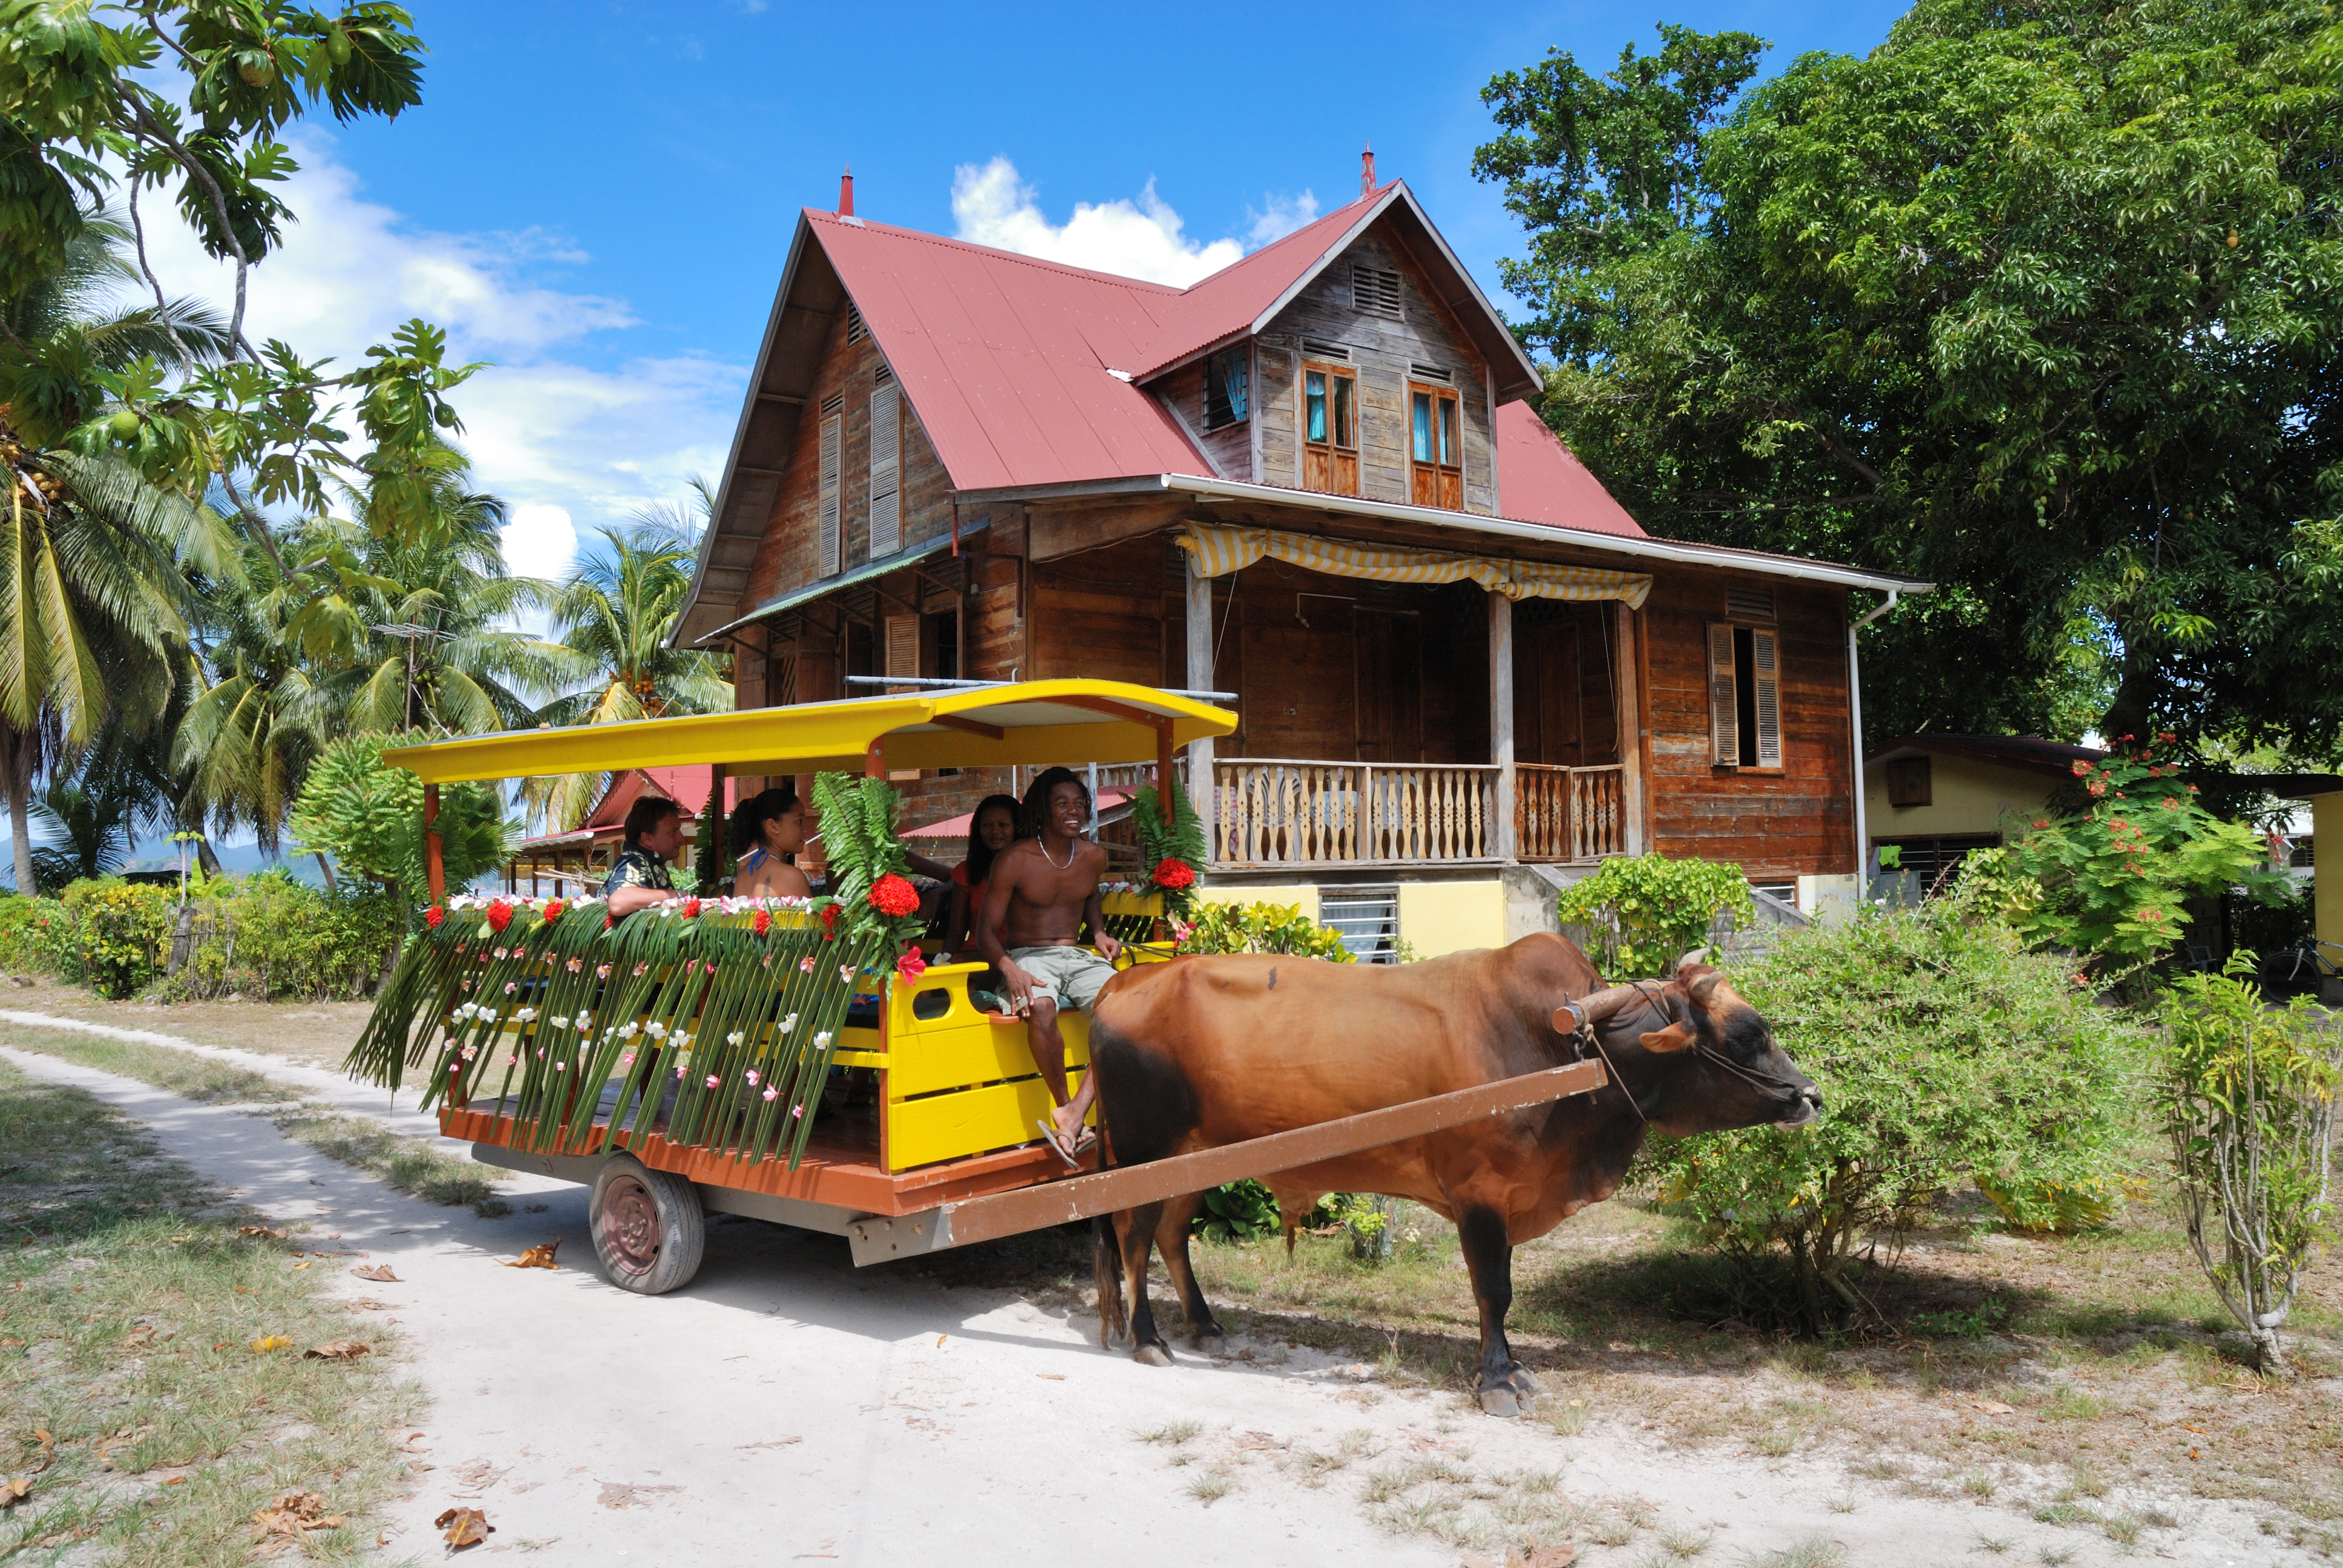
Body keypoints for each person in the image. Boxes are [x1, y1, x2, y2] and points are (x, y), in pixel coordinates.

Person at [973, 767, 1121, 1167]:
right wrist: (1008, 968)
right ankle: (1065, 1107)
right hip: (1027, 956)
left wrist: (1100, 931)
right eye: (1063, 804)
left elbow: (1089, 896)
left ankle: (1074, 1114)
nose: (1074, 811)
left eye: (1080, 804)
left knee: (1126, 1013)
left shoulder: (1094, 856)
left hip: (1076, 955)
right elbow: (984, 930)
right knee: (1041, 1007)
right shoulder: (1014, 859)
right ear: (1043, 809)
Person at [943, 794, 1021, 955]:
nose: (995, 831)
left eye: (1003, 825)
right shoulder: (966, 872)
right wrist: (944, 965)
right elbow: (955, 934)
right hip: (976, 958)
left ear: (1018, 827)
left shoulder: (1035, 869)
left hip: (1022, 957)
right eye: (987, 825)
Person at [603, 796, 686, 917]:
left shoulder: (650, 861)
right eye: (673, 831)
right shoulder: (635, 861)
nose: (681, 838)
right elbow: (618, 901)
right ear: (647, 839)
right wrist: (676, 895)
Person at [730, 785, 813, 901]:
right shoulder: (791, 877)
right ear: (773, 826)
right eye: (799, 821)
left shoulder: (743, 876)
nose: (805, 830)